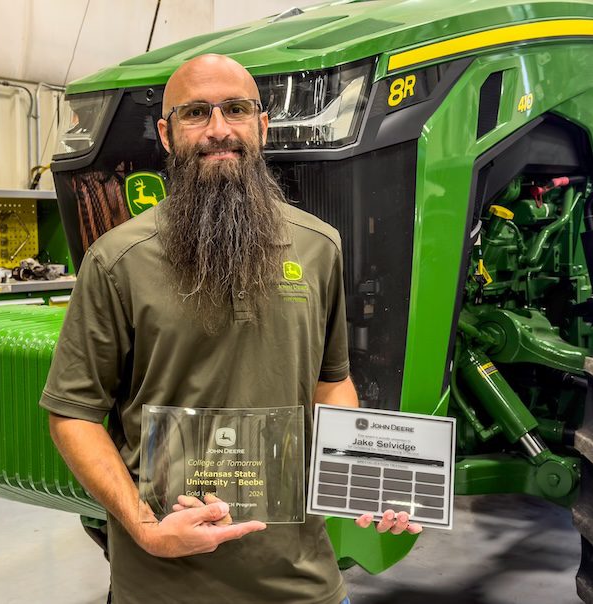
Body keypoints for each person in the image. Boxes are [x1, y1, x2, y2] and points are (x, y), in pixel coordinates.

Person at [40, 53, 422, 604]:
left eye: (236, 109)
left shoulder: (319, 248)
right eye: (196, 113)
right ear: (167, 135)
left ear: (262, 127)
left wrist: (366, 476)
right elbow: (73, 414)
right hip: (162, 586)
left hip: (300, 580)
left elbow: (331, 383)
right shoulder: (117, 261)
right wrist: (145, 528)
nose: (219, 129)